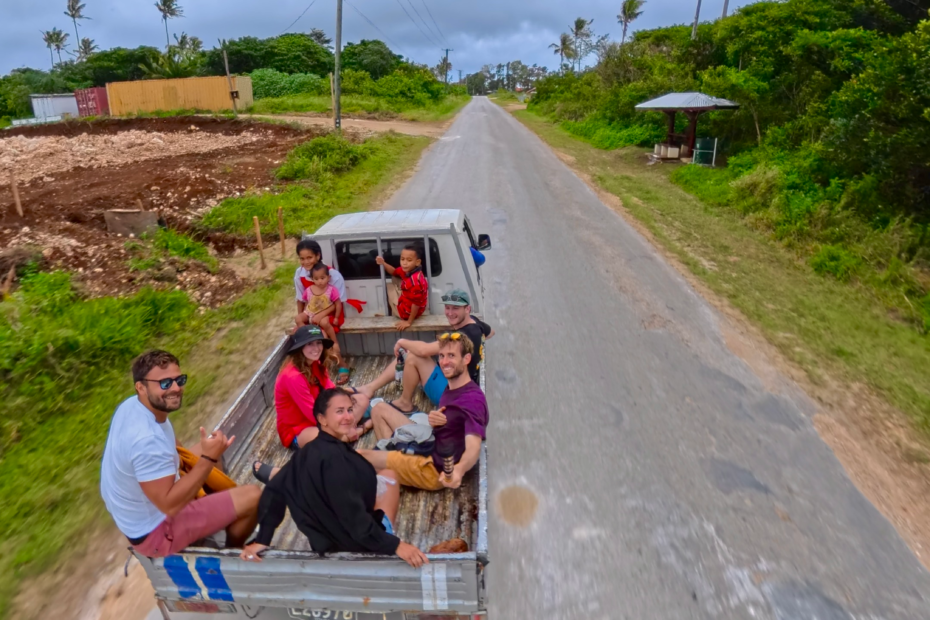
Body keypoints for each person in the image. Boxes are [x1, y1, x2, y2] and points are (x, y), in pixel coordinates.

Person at [242, 388, 429, 568]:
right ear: (322, 419)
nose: (348, 417)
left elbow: (275, 489)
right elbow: (357, 525)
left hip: (325, 544)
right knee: (390, 477)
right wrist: (396, 545)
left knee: (386, 475)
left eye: (349, 410)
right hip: (360, 546)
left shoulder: (306, 452)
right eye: (339, 411)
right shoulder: (338, 463)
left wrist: (263, 538)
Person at [100, 350, 261, 557]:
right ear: (141, 387)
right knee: (254, 496)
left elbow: (171, 445)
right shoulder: (146, 441)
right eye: (165, 383)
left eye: (179, 380)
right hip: (156, 532)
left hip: (140, 510)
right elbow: (169, 505)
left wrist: (205, 457)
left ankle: (220, 513)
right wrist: (208, 459)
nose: (176, 388)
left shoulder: (133, 406)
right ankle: (232, 551)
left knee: (210, 447)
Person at [358, 334, 488, 491]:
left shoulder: (472, 400)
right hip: (430, 441)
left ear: (466, 359)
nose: (444, 362)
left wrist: (458, 471)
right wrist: (434, 420)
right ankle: (395, 466)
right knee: (379, 409)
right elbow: (453, 423)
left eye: (451, 356)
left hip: (432, 468)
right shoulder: (453, 386)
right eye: (441, 356)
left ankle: (393, 470)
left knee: (360, 456)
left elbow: (474, 446)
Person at [356, 289, 493, 414]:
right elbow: (491, 332)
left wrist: (401, 342)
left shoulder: (462, 336)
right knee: (410, 354)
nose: (450, 313)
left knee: (414, 357)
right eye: (447, 308)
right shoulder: (475, 323)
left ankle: (405, 403)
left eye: (456, 308)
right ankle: (370, 387)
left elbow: (423, 350)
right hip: (462, 381)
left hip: (452, 394)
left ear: (467, 309)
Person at [274, 326, 371, 450]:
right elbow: (312, 413)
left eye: (319, 343)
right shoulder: (293, 376)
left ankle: (347, 431)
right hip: (299, 429)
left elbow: (332, 393)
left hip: (322, 412)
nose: (316, 348)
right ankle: (359, 429)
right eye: (310, 344)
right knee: (327, 438)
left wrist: (344, 415)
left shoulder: (316, 363)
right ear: (300, 347)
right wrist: (346, 426)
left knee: (362, 400)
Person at [294, 239, 351, 382]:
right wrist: (302, 321)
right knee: (307, 333)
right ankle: (314, 365)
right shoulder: (299, 274)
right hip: (311, 310)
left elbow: (339, 301)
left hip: (331, 311)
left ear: (318, 256)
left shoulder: (331, 274)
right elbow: (300, 299)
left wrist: (321, 314)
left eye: (309, 257)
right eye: (302, 258)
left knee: (321, 333)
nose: (306, 262)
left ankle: (341, 364)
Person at [296, 263, 346, 375]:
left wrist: (337, 317)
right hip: (309, 313)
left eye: (322, 278)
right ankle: (306, 335)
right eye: (316, 279)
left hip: (323, 315)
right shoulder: (309, 290)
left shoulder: (331, 290)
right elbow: (305, 302)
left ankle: (334, 342)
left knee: (324, 324)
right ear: (312, 279)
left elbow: (338, 304)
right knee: (298, 318)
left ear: (328, 278)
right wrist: (306, 316)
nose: (320, 281)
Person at [375, 244, 428, 331]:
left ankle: (392, 312)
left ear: (418, 262)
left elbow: (416, 304)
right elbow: (395, 272)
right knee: (395, 277)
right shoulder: (412, 271)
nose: (404, 263)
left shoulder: (415, 282)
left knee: (389, 287)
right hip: (416, 306)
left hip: (406, 313)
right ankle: (402, 293)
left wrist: (408, 322)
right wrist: (383, 263)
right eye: (402, 259)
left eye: (409, 260)